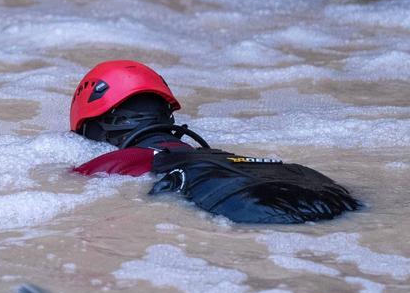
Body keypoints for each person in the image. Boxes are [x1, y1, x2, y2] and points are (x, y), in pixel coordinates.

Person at [69, 61, 360, 224]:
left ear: (92, 128)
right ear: (167, 115)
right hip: (319, 189)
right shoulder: (203, 151)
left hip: (252, 207)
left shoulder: (123, 162)